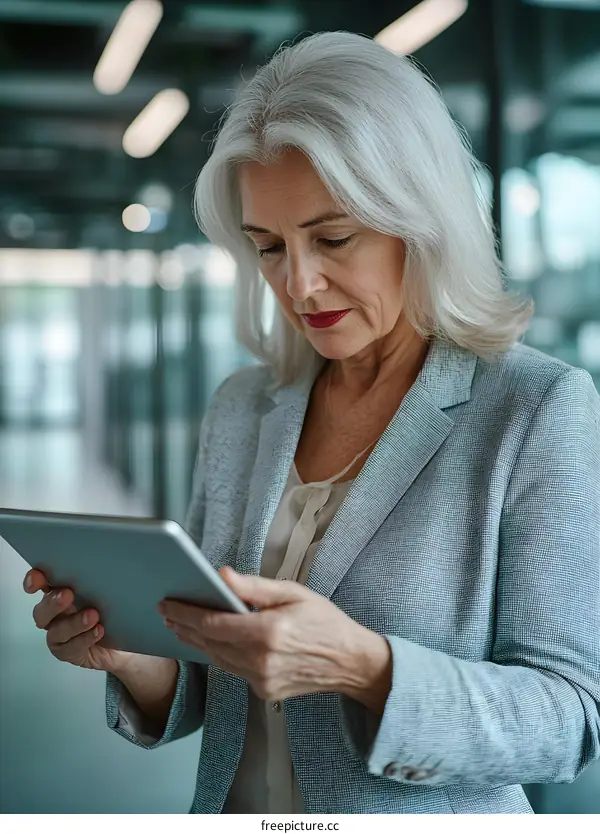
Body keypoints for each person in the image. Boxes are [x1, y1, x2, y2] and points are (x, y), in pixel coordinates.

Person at [24, 31, 600, 815]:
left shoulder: (534, 409)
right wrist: (136, 659)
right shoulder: (243, 408)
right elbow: (211, 687)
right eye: (267, 247)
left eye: (333, 239)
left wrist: (364, 666)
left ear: (419, 220)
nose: (299, 283)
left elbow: (571, 719)